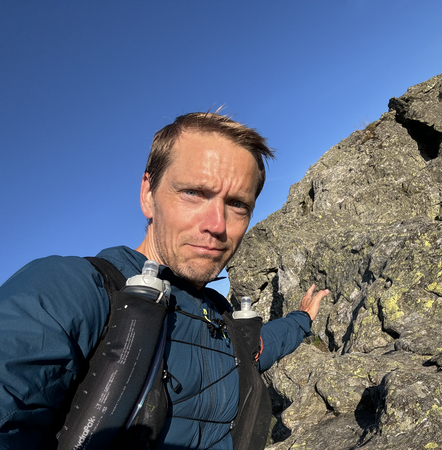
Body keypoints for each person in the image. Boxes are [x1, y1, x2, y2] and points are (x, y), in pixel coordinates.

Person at [0, 112, 329, 449]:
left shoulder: (218, 316)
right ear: (148, 194)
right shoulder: (74, 288)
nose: (217, 224)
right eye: (193, 193)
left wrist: (302, 318)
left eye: (237, 205)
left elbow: (257, 348)